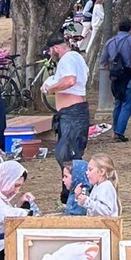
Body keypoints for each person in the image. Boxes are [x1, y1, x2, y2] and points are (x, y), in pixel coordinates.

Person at [42, 33, 89, 165]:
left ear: (56, 48)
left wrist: (49, 89)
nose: (50, 55)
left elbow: (69, 80)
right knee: (69, 156)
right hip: (74, 112)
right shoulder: (77, 57)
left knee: (67, 156)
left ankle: (76, 185)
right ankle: (71, 184)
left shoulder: (67, 59)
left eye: (50, 51)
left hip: (72, 114)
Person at [99, 17, 131, 143]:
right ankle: (119, 132)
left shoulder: (110, 41)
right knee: (127, 104)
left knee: (118, 103)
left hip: (115, 76)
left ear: (118, 28)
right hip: (129, 74)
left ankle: (115, 130)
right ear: (130, 28)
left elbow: (103, 61)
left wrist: (112, 69)